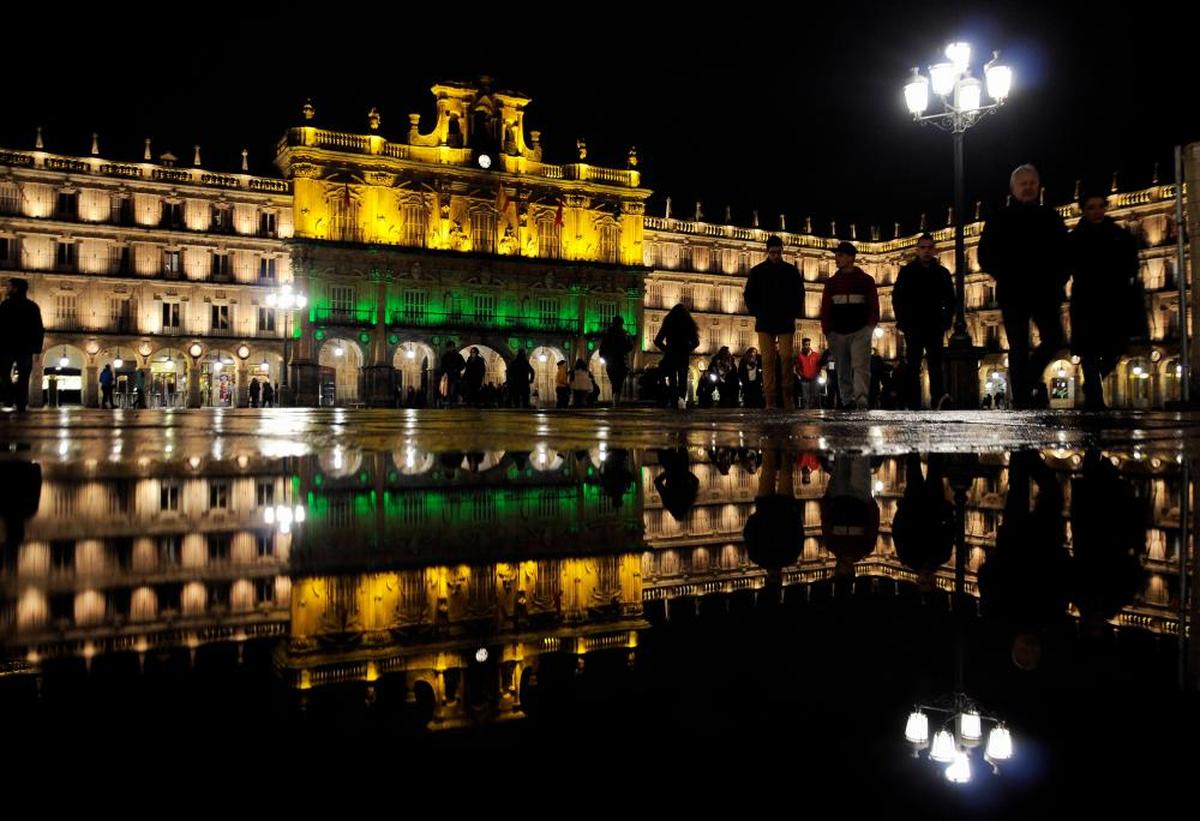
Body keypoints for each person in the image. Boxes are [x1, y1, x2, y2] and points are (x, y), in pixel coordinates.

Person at [977, 164, 1069, 409]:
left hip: (1045, 291)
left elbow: (1065, 254)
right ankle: (1021, 399)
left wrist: (1059, 280)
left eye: (1031, 183)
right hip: (1014, 291)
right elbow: (984, 255)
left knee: (1054, 338)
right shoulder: (1000, 218)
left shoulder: (1051, 217)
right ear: (1013, 188)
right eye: (1023, 183)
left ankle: (1026, 379)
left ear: (1038, 186)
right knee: (1017, 346)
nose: (1028, 187)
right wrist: (1004, 274)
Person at [1069, 188, 1147, 409]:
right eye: (1090, 208)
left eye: (1100, 206)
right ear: (1083, 211)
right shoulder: (1075, 238)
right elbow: (1066, 266)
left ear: (1105, 207)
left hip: (1114, 300)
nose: (1096, 212)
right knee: (1089, 350)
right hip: (1086, 299)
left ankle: (1093, 384)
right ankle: (1095, 399)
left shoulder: (1119, 234)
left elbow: (1133, 263)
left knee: (1115, 349)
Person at [893, 232, 956, 409]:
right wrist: (902, 320)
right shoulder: (907, 272)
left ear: (935, 250)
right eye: (923, 247)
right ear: (917, 250)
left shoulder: (942, 273)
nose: (926, 251)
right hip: (913, 325)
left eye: (929, 247)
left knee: (936, 363)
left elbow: (951, 299)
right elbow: (897, 297)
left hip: (935, 324)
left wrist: (946, 321)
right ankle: (914, 402)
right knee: (913, 364)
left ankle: (938, 400)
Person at [743, 235, 805, 409]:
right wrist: (756, 312)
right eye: (773, 252)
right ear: (767, 251)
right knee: (768, 360)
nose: (776, 255)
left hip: (785, 320)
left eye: (779, 252)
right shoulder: (757, 271)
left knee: (786, 357)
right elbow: (748, 295)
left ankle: (787, 396)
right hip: (765, 321)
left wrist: (793, 311)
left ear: (782, 251)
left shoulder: (790, 270)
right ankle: (769, 398)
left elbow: (800, 293)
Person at [819, 242, 879, 410]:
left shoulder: (866, 281)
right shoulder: (831, 283)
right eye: (836, 255)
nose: (836, 258)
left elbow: (874, 305)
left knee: (861, 366)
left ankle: (860, 400)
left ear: (851, 258)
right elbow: (826, 308)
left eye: (840, 255)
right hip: (837, 333)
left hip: (860, 331)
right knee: (843, 369)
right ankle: (846, 400)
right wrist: (828, 331)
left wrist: (869, 328)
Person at [0, 278, 45, 413]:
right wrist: (37, 348)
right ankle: (21, 403)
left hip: (7, 346)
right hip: (26, 347)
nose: (6, 289)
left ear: (15, 289)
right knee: (24, 376)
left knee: (3, 372)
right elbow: (39, 328)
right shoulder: (32, 307)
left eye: (8, 287)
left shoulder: (5, 305)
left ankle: (9, 397)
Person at [653, 303, 700, 409]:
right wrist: (687, 350)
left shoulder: (669, 322)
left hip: (671, 354)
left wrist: (666, 350)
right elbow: (696, 342)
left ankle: (674, 400)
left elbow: (657, 341)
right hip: (683, 355)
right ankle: (682, 400)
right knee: (683, 378)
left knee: (672, 378)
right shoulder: (688, 323)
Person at [598, 315, 633, 406]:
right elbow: (630, 347)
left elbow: (602, 348)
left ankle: (615, 399)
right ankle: (616, 399)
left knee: (614, 381)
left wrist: (604, 357)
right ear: (621, 323)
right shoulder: (624, 334)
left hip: (611, 362)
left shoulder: (607, 333)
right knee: (619, 382)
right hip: (621, 361)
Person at [793, 338, 822, 409]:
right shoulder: (799, 356)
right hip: (804, 380)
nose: (807, 346)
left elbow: (819, 366)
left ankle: (814, 415)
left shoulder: (816, 355)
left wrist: (817, 374)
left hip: (814, 379)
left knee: (814, 397)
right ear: (803, 345)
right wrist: (802, 375)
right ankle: (806, 414)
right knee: (806, 398)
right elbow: (797, 368)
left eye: (808, 344)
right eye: (806, 345)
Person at [440, 341, 466, 407]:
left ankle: (455, 402)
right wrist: (444, 372)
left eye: (451, 347)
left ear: (453, 347)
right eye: (448, 347)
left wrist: (457, 369)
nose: (450, 348)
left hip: (456, 375)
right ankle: (450, 402)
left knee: (455, 389)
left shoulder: (458, 356)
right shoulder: (445, 356)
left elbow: (463, 364)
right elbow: (442, 366)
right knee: (448, 389)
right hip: (448, 375)